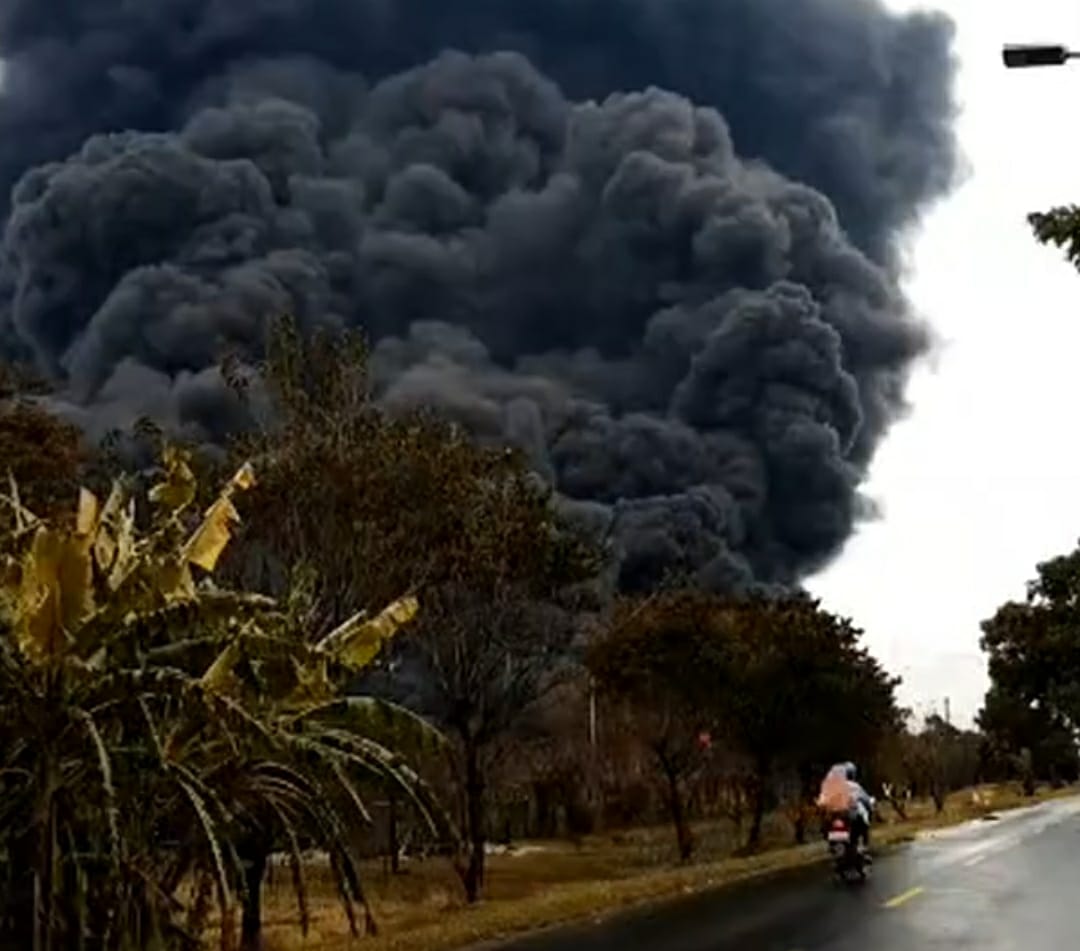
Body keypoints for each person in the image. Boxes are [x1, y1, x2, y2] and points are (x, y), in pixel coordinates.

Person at [817, 761, 874, 855]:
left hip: (836, 817)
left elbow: (822, 802)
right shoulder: (854, 786)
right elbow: (865, 799)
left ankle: (836, 846)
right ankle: (863, 844)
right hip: (849, 816)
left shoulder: (832, 786)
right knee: (863, 822)